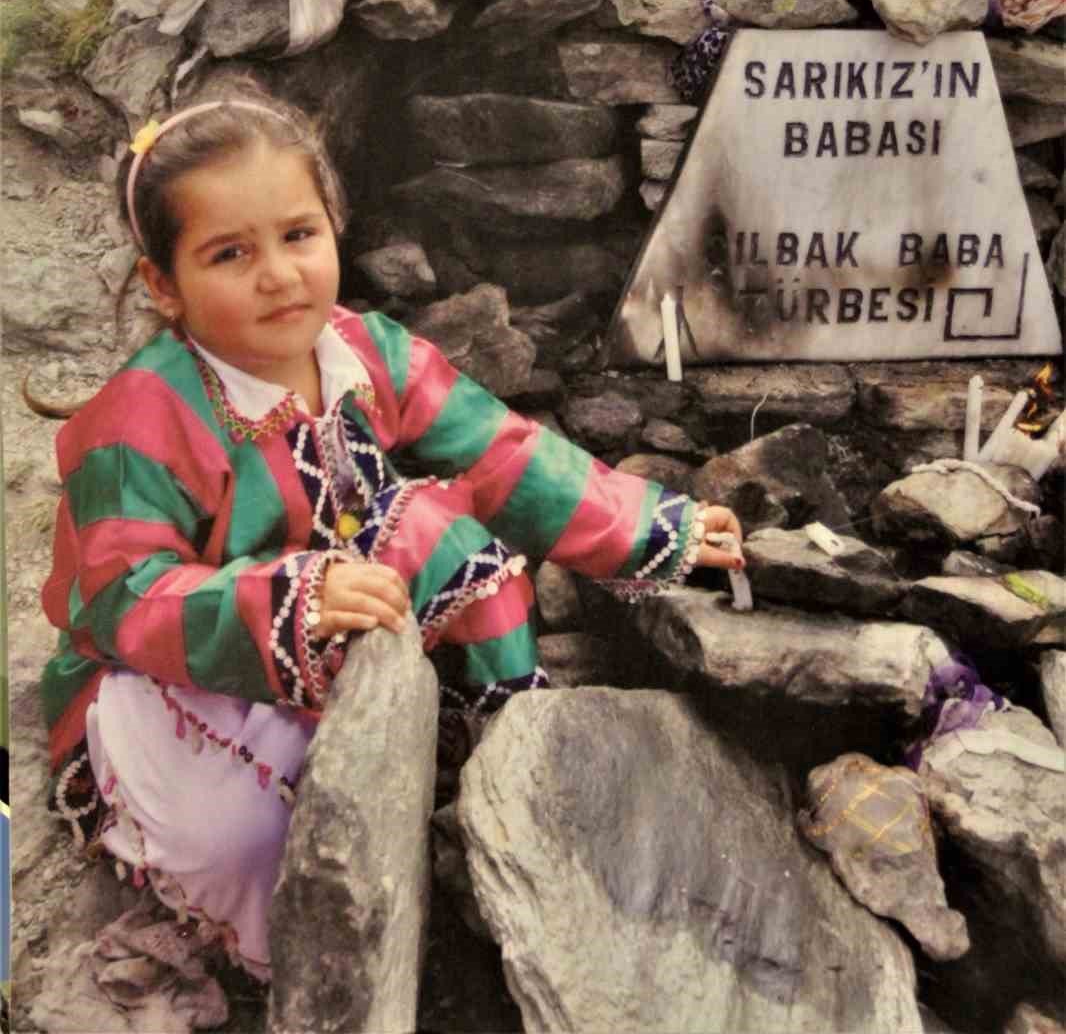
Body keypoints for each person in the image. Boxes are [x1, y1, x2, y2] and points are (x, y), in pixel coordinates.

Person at [39, 86, 744, 982]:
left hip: (319, 602)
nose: (280, 274)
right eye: (229, 253)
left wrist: (653, 524)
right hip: (172, 663)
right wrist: (285, 601)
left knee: (461, 547)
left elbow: (501, 453)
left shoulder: (361, 348)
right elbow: (121, 598)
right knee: (255, 837)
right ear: (163, 285)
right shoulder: (139, 420)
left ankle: (507, 770)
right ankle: (313, 961)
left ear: (333, 226)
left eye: (299, 235)